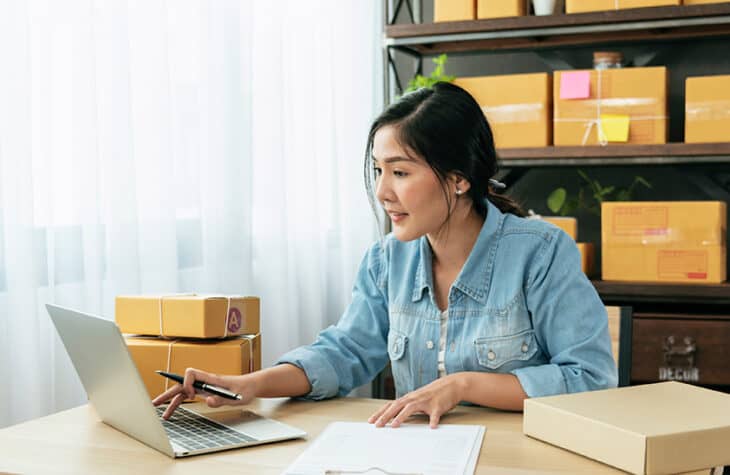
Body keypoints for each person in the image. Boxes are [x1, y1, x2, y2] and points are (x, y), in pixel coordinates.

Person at [153, 82, 617, 428]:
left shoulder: (540, 253)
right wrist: (251, 385)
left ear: (459, 179)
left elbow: (591, 378)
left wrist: (463, 385)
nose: (381, 191)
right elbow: (344, 353)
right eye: (378, 170)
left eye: (400, 171)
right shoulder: (385, 261)